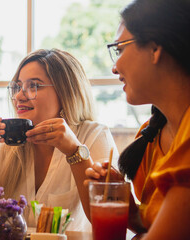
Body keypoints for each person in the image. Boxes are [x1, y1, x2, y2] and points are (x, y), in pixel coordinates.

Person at [0, 48, 118, 231]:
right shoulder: (3, 142)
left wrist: (74, 151)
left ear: (65, 92)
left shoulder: (94, 136)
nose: (18, 96)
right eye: (17, 87)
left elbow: (109, 218)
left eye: (34, 86)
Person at [85, 0, 190, 239]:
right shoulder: (152, 134)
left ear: (155, 49)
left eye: (119, 49)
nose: (114, 67)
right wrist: (130, 210)